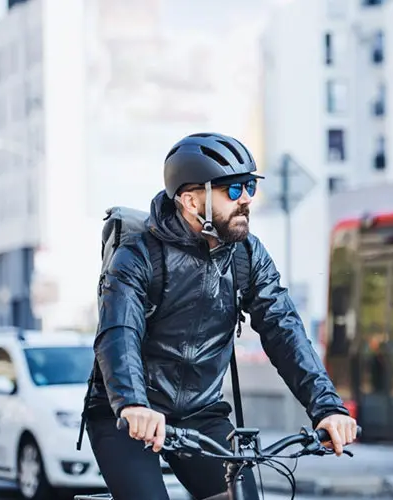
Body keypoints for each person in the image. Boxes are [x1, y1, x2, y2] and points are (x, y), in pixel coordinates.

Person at [84, 132, 357, 500]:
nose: (245, 199)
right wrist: (133, 404)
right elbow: (120, 333)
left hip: (202, 413)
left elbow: (283, 328)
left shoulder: (246, 254)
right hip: (130, 415)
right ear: (190, 200)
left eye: (248, 187)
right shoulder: (138, 255)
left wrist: (327, 407)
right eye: (231, 190)